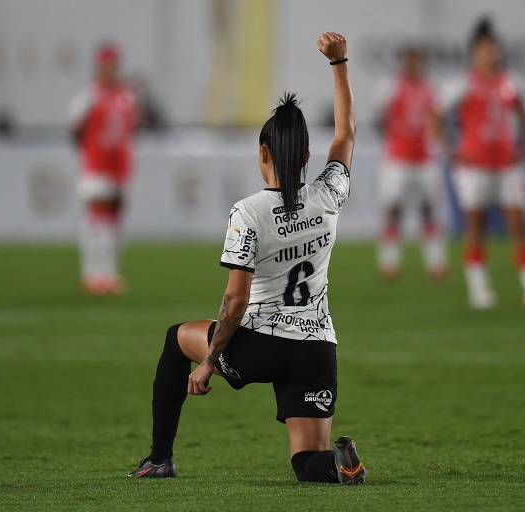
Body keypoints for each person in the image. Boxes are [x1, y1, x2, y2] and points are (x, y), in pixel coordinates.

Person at [129, 32, 366, 485]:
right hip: (317, 350)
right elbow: (347, 131)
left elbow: (235, 301)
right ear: (307, 157)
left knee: (175, 339)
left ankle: (160, 458)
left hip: (259, 347)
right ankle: (343, 463)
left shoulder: (248, 212)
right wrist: (340, 64)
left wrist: (209, 360)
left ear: (262, 153)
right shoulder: (329, 195)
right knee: (307, 464)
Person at [439, 18, 525, 309]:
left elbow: (523, 112)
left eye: (494, 49)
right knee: (476, 229)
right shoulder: (461, 84)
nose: (491, 54)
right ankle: (479, 291)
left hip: (507, 166)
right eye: (485, 49)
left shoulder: (510, 81)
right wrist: (450, 151)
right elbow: (436, 117)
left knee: (520, 226)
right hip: (474, 168)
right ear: (474, 53)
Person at [68, 43, 137, 295]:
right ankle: (92, 273)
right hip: (96, 166)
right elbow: (74, 129)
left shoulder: (126, 96)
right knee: (96, 218)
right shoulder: (88, 96)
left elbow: (130, 128)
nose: (110, 70)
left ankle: (108, 273)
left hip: (119, 168)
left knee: (113, 222)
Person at [378, 47, 447, 280]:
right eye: (409, 61)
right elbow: (381, 119)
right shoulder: (390, 88)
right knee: (394, 209)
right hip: (397, 158)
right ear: (403, 63)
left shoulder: (430, 89)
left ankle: (435, 263)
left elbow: (437, 120)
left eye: (416, 61)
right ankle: (390, 263)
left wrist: (436, 144)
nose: (412, 66)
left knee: (427, 209)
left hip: (424, 159)